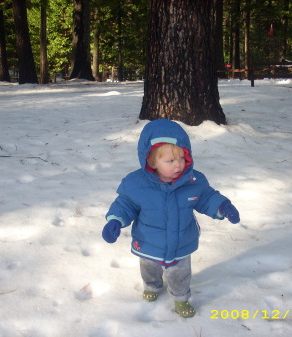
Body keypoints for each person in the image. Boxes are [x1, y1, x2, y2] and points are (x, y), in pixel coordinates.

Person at [102, 119, 240, 318]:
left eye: (182, 159)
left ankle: (181, 298)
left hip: (181, 242)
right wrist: (115, 220)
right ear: (151, 161)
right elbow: (125, 204)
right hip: (148, 241)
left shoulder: (193, 182)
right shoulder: (136, 184)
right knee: (149, 267)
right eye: (170, 161)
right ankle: (152, 286)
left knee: (180, 274)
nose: (178, 165)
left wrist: (223, 206)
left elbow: (206, 197)